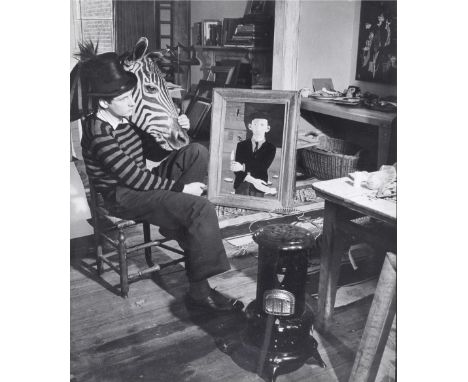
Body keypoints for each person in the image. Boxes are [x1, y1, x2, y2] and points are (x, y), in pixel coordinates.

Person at [80, 52, 243, 313]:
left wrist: (181, 127)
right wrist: (181, 188)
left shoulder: (124, 120)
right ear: (103, 103)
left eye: (130, 96)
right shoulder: (98, 133)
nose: (131, 103)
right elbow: (132, 176)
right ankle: (200, 291)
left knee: (196, 152)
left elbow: (153, 154)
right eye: (123, 99)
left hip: (138, 185)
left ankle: (178, 222)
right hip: (120, 196)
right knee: (200, 208)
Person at [230, 110, 277, 197]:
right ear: (250, 126)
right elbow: (237, 170)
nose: (258, 128)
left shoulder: (271, 148)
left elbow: (262, 166)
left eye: (262, 125)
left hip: (260, 186)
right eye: (255, 124)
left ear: (267, 128)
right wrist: (253, 181)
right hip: (241, 184)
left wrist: (242, 167)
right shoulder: (241, 145)